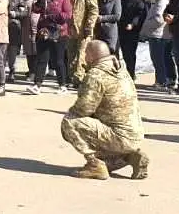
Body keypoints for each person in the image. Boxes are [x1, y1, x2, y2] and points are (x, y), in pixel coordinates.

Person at [60, 40, 149, 180]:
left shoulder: (96, 75)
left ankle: (94, 165)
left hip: (119, 136)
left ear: (90, 56)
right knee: (97, 124)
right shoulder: (121, 69)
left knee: (70, 122)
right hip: (134, 134)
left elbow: (84, 109)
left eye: (85, 54)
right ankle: (131, 156)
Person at [30, 0, 72, 94]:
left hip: (59, 33)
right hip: (44, 32)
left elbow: (67, 15)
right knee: (42, 58)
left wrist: (52, 17)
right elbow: (35, 9)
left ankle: (62, 85)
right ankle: (37, 85)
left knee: (58, 60)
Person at [141, 0, 175, 91]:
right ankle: (169, 79)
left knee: (158, 59)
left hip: (158, 35)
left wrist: (147, 25)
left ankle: (162, 81)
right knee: (166, 58)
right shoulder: (166, 0)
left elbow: (159, 19)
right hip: (164, 35)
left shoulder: (162, 2)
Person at [66, 0, 100, 85]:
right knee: (71, 54)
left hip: (84, 30)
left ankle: (79, 78)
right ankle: (71, 76)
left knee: (82, 55)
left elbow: (93, 10)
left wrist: (89, 26)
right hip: (71, 30)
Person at [117, 0, 147, 79]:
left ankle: (131, 72)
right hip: (122, 28)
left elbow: (140, 14)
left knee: (130, 53)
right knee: (125, 53)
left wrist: (133, 24)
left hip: (132, 31)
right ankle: (126, 72)